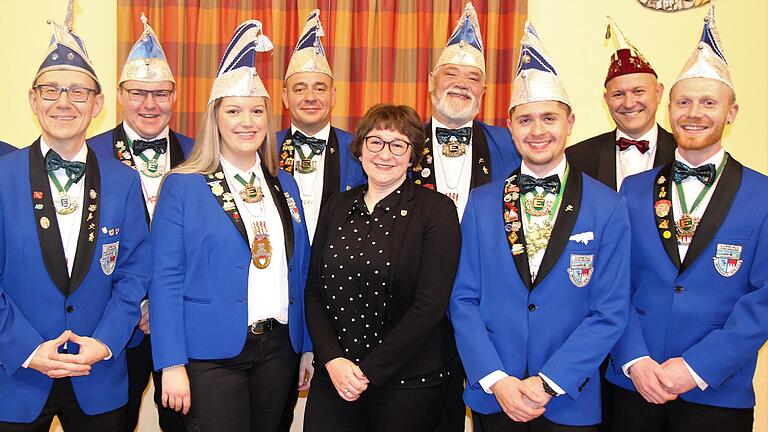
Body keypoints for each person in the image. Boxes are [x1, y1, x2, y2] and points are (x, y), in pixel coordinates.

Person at [449, 22, 630, 432]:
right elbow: (463, 299)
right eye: (525, 120)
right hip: (497, 395)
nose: (537, 131)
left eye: (549, 117)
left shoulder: (609, 206)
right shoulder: (481, 203)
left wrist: (549, 383)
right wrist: (497, 380)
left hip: (570, 395)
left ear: (570, 122)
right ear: (509, 128)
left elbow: (610, 310)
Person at [606, 6, 768, 432]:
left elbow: (764, 299)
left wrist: (696, 367)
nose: (694, 113)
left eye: (709, 102)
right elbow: (612, 285)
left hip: (717, 390)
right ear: (668, 108)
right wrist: (636, 359)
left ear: (731, 113)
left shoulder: (763, 195)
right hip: (633, 386)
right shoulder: (633, 191)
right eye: (684, 102)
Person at [149, 20, 312, 432]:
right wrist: (170, 362)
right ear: (215, 117)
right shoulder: (182, 185)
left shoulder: (284, 183)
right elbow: (165, 279)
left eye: (257, 111)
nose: (247, 122)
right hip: (209, 354)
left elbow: (301, 268)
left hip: (278, 348)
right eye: (234, 110)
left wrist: (306, 346)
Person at [0, 6, 149, 430]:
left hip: (97, 375)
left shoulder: (124, 182)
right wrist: (28, 349)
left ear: (98, 103)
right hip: (16, 376)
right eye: (50, 90)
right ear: (33, 99)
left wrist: (103, 342)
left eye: (78, 92)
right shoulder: (1, 178)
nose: (64, 102)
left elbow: (135, 274)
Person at [304, 103, 461, 432]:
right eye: (375, 142)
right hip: (336, 376)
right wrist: (332, 359)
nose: (385, 154)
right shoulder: (336, 206)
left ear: (412, 155)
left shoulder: (437, 212)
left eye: (398, 144)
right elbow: (314, 291)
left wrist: (368, 371)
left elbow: (429, 305)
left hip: (408, 383)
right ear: (360, 148)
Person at [89, 14, 191, 432]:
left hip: (185, 325)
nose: (150, 104)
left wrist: (163, 303)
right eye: (138, 93)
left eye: (161, 93)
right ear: (119, 95)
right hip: (112, 325)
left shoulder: (200, 156)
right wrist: (134, 306)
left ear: (174, 95)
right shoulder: (90, 155)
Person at [275, 10, 364, 430]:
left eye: (319, 88)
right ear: (284, 97)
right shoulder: (259, 150)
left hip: (344, 302)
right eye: (300, 88)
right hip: (276, 298)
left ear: (333, 95)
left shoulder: (363, 153)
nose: (310, 96)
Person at [416, 1, 520, 221]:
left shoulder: (511, 144)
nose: (462, 83)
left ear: (483, 91)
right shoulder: (406, 143)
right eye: (451, 74)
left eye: (473, 78)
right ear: (431, 82)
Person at [566, 17, 675, 191]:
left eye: (638, 91)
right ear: (606, 99)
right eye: (618, 94)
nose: (629, 103)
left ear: (658, 92)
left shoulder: (684, 153)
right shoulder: (576, 159)